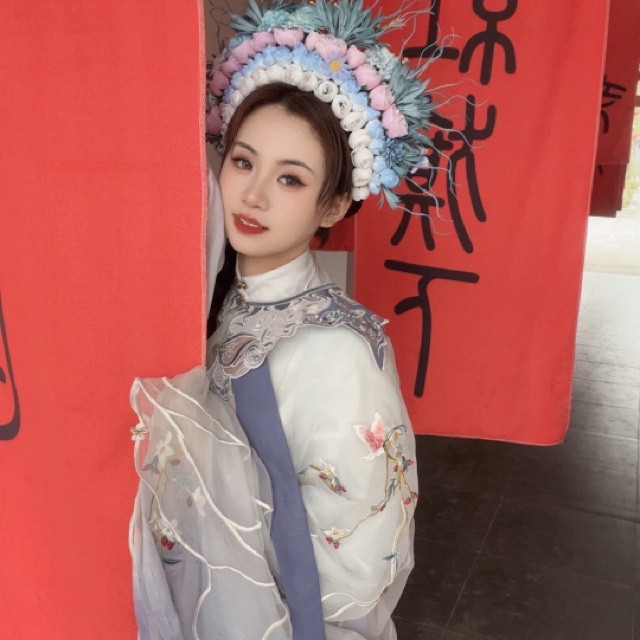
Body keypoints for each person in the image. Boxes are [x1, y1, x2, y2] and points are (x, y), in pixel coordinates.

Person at [129, 1, 434, 638]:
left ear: (334, 205)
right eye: (243, 162)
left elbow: (362, 552)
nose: (254, 194)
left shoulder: (338, 347)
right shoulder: (203, 298)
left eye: (290, 179)